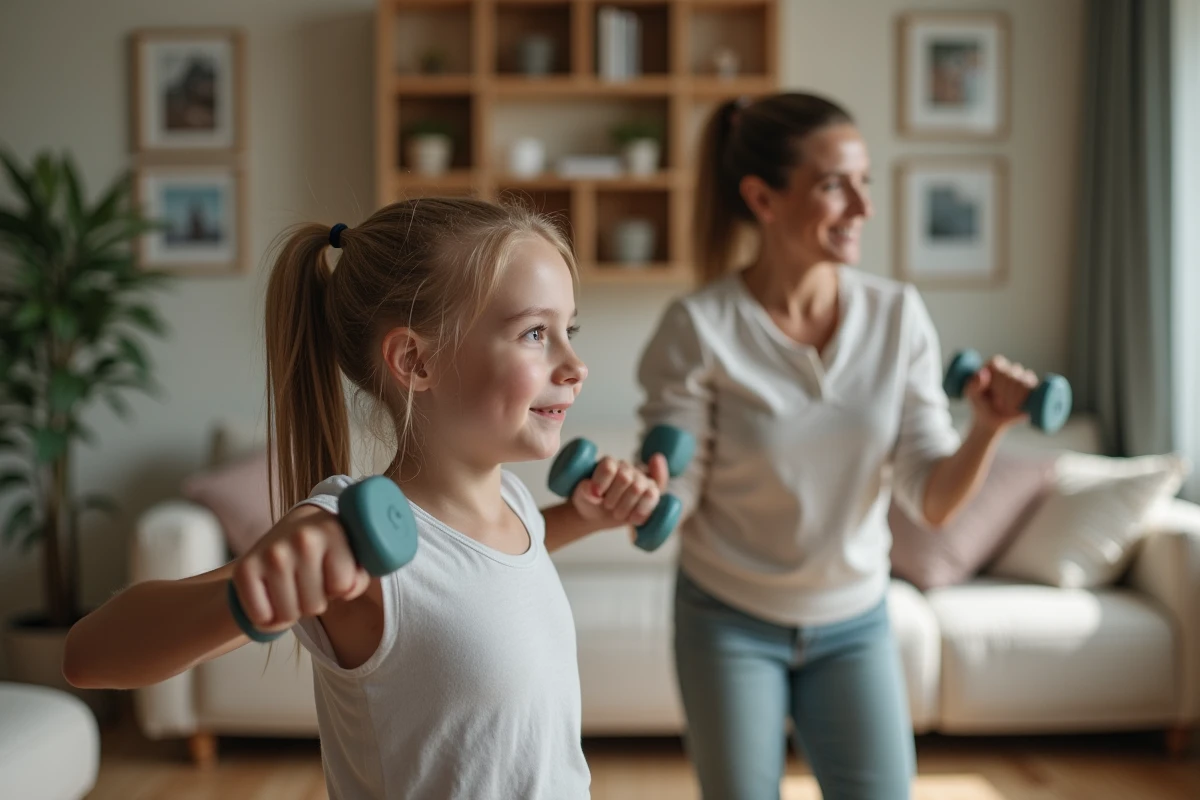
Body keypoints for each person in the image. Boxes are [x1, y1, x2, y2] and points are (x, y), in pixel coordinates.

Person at [63, 197, 669, 799]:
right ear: (415, 360)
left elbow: (473, 574)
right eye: (536, 333)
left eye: (571, 329)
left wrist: (582, 517)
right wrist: (249, 594)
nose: (575, 364)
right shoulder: (346, 535)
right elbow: (88, 657)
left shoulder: (511, 502)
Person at [636, 93, 1038, 800]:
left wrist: (987, 427)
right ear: (762, 197)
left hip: (854, 618)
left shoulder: (898, 316)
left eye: (865, 181)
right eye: (833, 185)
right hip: (728, 616)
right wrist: (643, 494)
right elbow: (679, 488)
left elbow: (933, 500)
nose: (863, 207)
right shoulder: (700, 327)